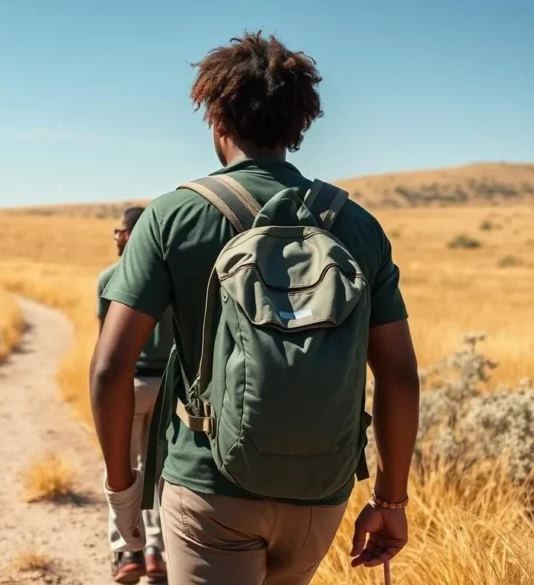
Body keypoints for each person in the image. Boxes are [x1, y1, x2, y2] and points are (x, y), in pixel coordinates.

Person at [89, 32, 420, 585]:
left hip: (208, 486)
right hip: (321, 489)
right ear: (298, 125)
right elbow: (399, 373)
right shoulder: (357, 225)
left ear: (217, 120)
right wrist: (391, 500)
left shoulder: (173, 216)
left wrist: (123, 495)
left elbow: (109, 368)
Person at [97, 206, 174, 584]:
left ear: (130, 235)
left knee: (120, 470)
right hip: (167, 387)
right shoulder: (173, 278)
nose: (114, 236)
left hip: (126, 386)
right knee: (159, 473)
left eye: (118, 230)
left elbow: (106, 349)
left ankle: (128, 551)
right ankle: (158, 552)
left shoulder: (109, 279)